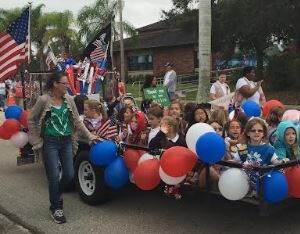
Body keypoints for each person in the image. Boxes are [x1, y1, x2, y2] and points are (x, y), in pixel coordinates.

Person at [28, 72, 98, 224]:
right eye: (64, 83)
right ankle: (56, 207)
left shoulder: (69, 100)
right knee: (53, 177)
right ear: (55, 84)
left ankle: (56, 194)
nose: (67, 86)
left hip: (66, 142)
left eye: (67, 83)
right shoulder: (43, 100)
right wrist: (36, 140)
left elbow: (77, 122)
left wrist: (90, 136)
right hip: (50, 143)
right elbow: (32, 119)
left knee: (69, 175)